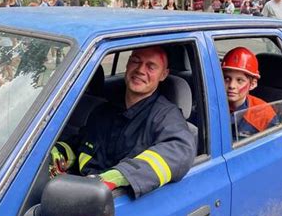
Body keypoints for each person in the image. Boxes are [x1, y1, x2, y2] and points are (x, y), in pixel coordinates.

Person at [52, 46, 196, 198]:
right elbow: (81, 142)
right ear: (127, 65)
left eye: (151, 66)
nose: (140, 70)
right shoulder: (104, 111)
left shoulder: (166, 116)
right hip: (79, 191)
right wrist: (58, 153)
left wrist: (118, 177)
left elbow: (180, 151)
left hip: (115, 204)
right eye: (135, 61)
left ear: (163, 74)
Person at [221, 47, 278, 140]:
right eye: (227, 79)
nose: (231, 85)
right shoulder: (209, 106)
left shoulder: (264, 114)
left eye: (239, 80)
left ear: (252, 84)